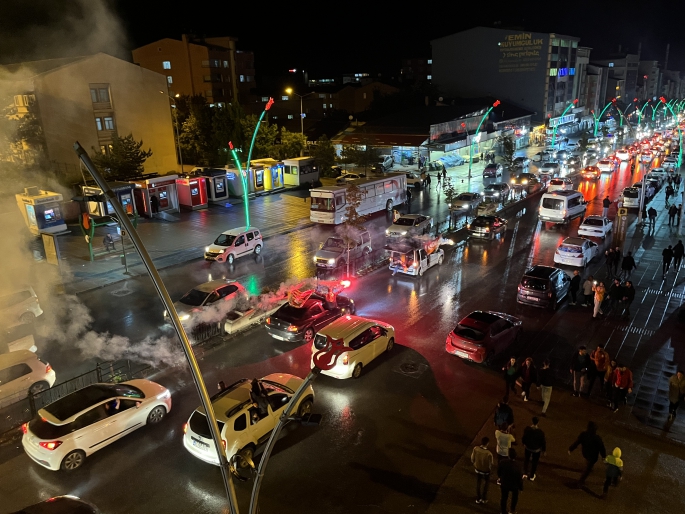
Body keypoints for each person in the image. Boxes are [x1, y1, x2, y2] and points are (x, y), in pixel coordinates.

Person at [568, 421, 607, 486]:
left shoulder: (583, 435)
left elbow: (577, 442)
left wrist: (571, 449)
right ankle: (580, 482)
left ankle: (587, 470)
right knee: (587, 469)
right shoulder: (597, 438)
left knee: (588, 463)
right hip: (593, 456)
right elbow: (602, 448)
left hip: (585, 453)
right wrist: (604, 456)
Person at [498, 448, 524, 514]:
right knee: (514, 498)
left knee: (504, 497)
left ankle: (503, 511)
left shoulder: (503, 462)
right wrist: (521, 487)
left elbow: (499, 472)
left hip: (504, 483)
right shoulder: (518, 466)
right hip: (514, 485)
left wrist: (500, 478)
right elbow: (519, 478)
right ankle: (512, 510)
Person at [522, 417, 546, 482]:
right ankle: (532, 475)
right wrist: (543, 450)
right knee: (534, 462)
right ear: (538, 423)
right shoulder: (540, 432)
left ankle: (525, 473)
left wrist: (524, 443)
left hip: (528, 447)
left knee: (526, 460)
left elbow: (524, 437)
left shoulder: (527, 429)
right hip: (536, 450)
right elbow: (543, 442)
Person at [471, 436, 494, 504]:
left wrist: (475, 464)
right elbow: (491, 464)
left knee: (478, 482)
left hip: (478, 468)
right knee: (486, 484)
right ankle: (484, 498)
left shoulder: (475, 449)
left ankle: (478, 498)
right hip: (486, 471)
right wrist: (490, 470)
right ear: (487, 443)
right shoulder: (489, 453)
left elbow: (472, 459)